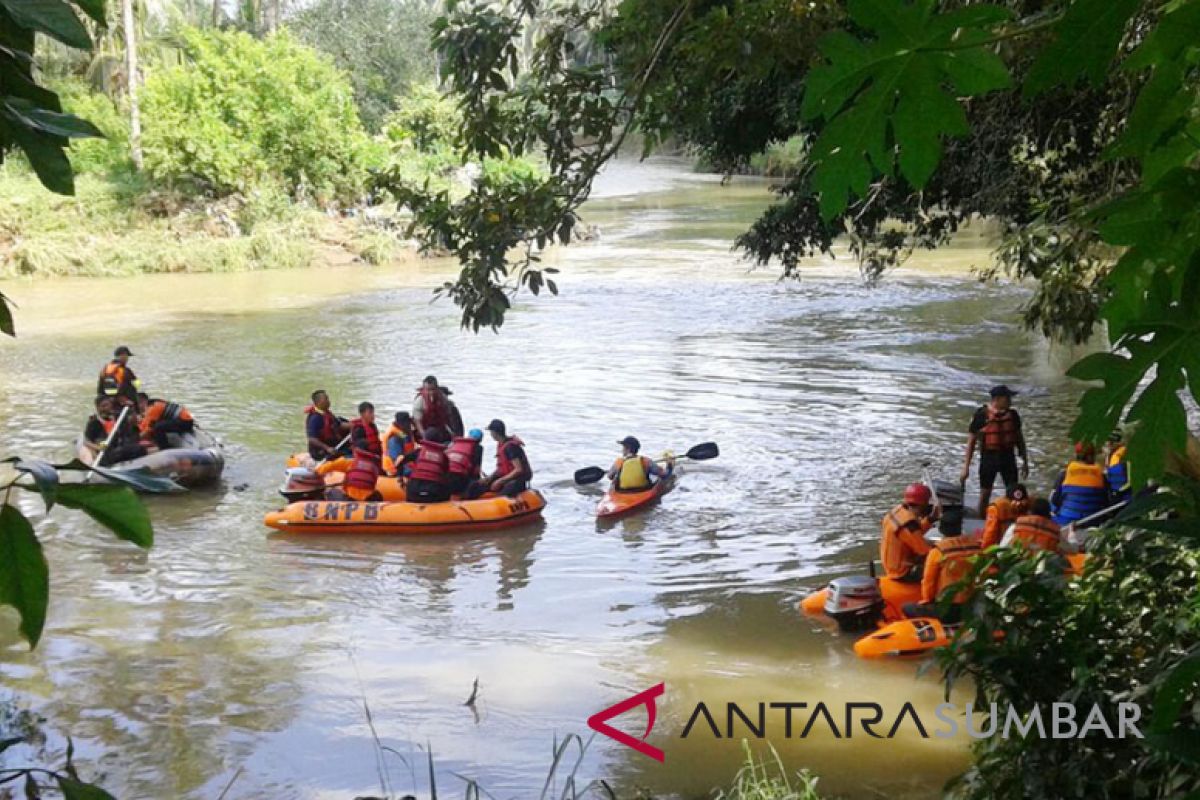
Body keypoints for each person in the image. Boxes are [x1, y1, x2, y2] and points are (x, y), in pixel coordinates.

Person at [961, 385, 1029, 517]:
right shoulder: (981, 415)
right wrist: (966, 467)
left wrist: (1025, 461)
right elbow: (971, 442)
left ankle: (1011, 520)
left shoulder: (1013, 415)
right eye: (1007, 398)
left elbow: (1020, 439)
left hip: (1008, 457)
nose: (1010, 401)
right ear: (997, 399)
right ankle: (981, 519)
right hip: (989, 457)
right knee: (985, 493)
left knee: (1014, 492)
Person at [902, 516, 982, 622]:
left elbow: (928, 582)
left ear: (941, 530)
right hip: (972, 606)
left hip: (948, 608)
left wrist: (927, 600)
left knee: (907, 608)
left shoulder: (938, 551)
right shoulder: (976, 547)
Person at [880, 483, 939, 582]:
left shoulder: (897, 511)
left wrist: (930, 520)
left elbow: (913, 534)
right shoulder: (908, 525)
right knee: (938, 562)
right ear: (922, 505)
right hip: (902, 572)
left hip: (892, 565)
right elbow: (925, 551)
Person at [1051, 442, 1110, 526]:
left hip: (1066, 520)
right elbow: (1106, 501)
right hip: (1093, 521)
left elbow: (1055, 500)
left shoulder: (1064, 474)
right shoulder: (1102, 476)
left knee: (1053, 506)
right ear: (1090, 457)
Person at [83, 396, 145, 466]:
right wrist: (98, 448)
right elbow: (87, 442)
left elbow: (133, 422)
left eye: (107, 405)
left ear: (111, 405)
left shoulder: (119, 416)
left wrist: (132, 409)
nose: (105, 408)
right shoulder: (94, 422)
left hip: (122, 447)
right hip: (108, 452)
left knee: (139, 449)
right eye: (102, 406)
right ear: (97, 408)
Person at [483, 419, 533, 498]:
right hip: (507, 476)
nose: (491, 434)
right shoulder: (501, 444)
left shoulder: (511, 447)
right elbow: (501, 467)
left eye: (491, 432)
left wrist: (500, 481)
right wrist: (490, 477)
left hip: (518, 480)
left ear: (495, 433)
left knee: (501, 496)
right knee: (483, 485)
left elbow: (518, 469)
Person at [406, 425, 452, 502]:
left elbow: (400, 462)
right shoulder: (444, 457)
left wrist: (401, 476)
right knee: (447, 485)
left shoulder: (418, 452)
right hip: (434, 495)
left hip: (413, 494)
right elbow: (446, 476)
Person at [979, 483, 1030, 549]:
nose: (1017, 504)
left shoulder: (997, 507)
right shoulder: (1029, 508)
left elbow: (990, 534)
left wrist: (985, 552)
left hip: (1001, 548)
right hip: (1017, 549)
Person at [305, 390, 350, 460]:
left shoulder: (327, 413)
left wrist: (355, 425)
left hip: (331, 444)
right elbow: (312, 439)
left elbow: (340, 425)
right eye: (326, 399)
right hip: (320, 451)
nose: (328, 401)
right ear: (318, 402)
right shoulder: (315, 418)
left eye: (328, 398)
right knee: (346, 453)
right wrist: (327, 448)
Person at [446, 428, 485, 496]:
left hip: (446, 478)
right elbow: (476, 470)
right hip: (459, 481)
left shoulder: (455, 444)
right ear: (480, 440)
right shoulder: (478, 448)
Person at [382, 411, 417, 477]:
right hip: (394, 470)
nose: (409, 425)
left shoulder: (405, 434)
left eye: (409, 422)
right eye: (407, 423)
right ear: (400, 424)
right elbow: (398, 463)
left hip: (406, 463)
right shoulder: (394, 440)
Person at [1105, 431, 1131, 504]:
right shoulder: (1110, 456)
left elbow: (1131, 480)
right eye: (1108, 441)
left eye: (1112, 442)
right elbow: (1108, 476)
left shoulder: (1126, 454)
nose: (1109, 444)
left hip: (1126, 495)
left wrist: (1119, 492)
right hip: (1114, 494)